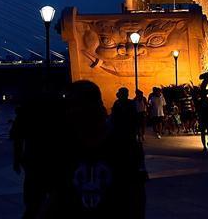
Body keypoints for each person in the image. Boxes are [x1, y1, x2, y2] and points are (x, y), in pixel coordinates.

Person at [44, 81, 146, 218]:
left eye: (76, 107)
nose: (69, 113)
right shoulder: (64, 148)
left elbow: (136, 195)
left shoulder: (125, 147)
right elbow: (57, 195)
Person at [11, 90, 60, 219]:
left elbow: (18, 138)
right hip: (51, 158)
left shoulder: (25, 112)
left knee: (33, 198)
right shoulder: (57, 109)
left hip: (33, 158)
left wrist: (17, 159)